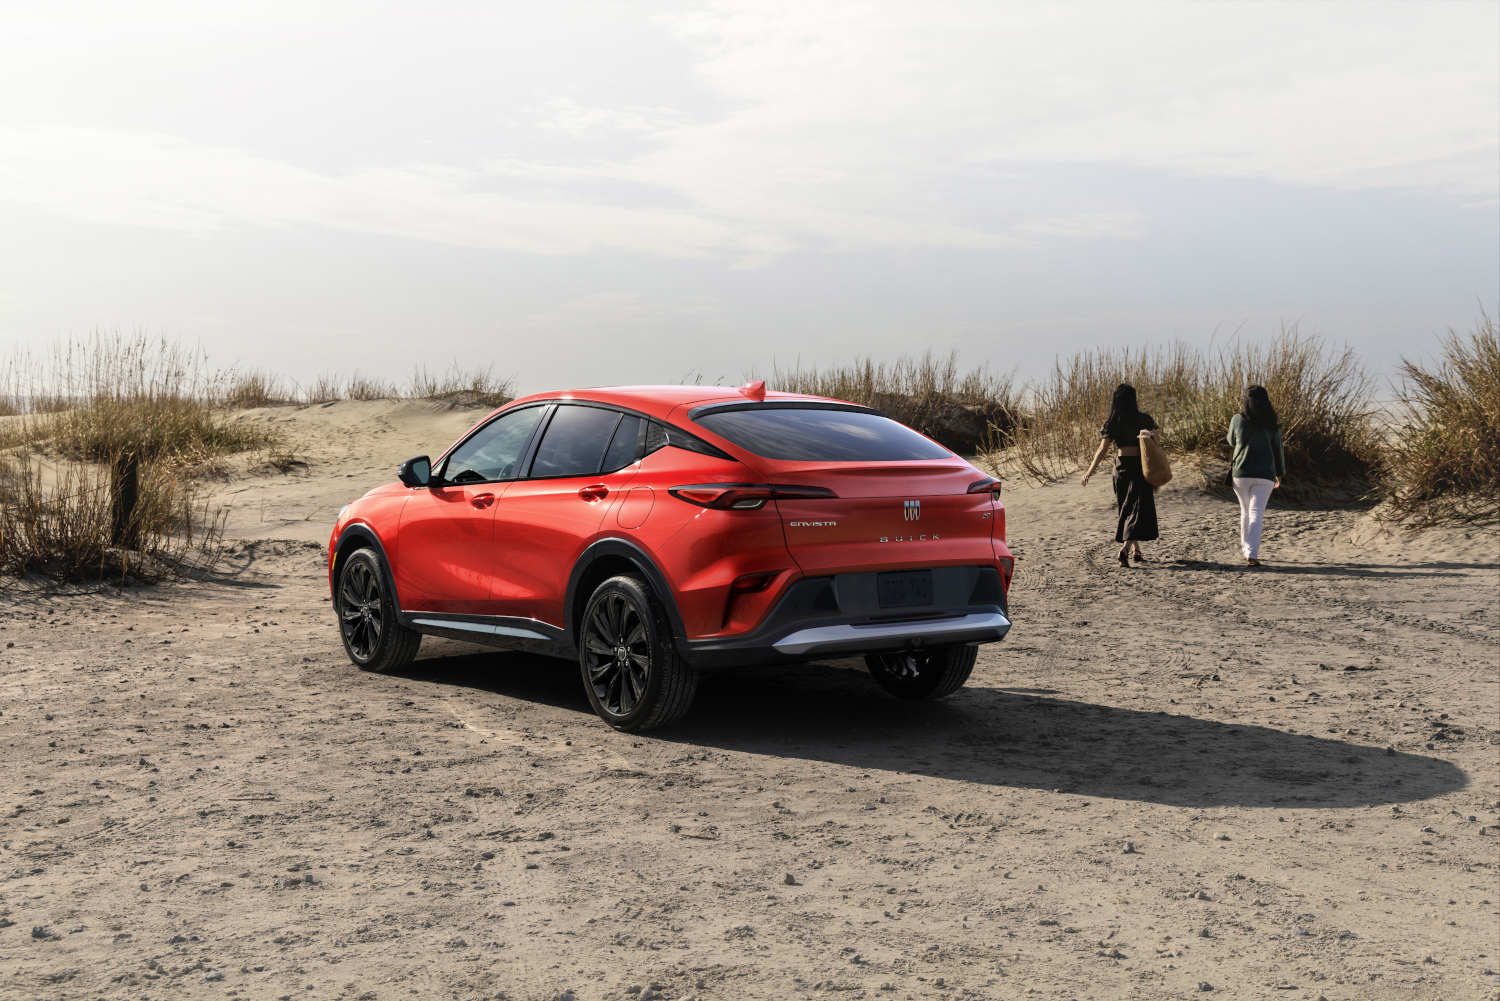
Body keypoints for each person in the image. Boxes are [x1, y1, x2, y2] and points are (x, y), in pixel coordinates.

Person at [1081, 383, 1159, 566]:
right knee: (1137, 510)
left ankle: (1136, 551)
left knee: (1126, 509)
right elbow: (1157, 439)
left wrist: (1088, 472)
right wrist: (1149, 435)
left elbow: (1102, 449)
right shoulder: (1143, 418)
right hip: (1140, 468)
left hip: (1121, 468)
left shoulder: (1113, 420)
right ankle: (1125, 549)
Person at [1226, 384, 1285, 566]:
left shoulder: (1237, 419)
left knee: (1245, 511)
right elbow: (1278, 450)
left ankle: (1246, 549)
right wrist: (1280, 473)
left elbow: (1230, 440)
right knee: (1256, 513)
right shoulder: (1272, 422)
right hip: (1265, 474)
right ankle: (1251, 553)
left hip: (1241, 473)